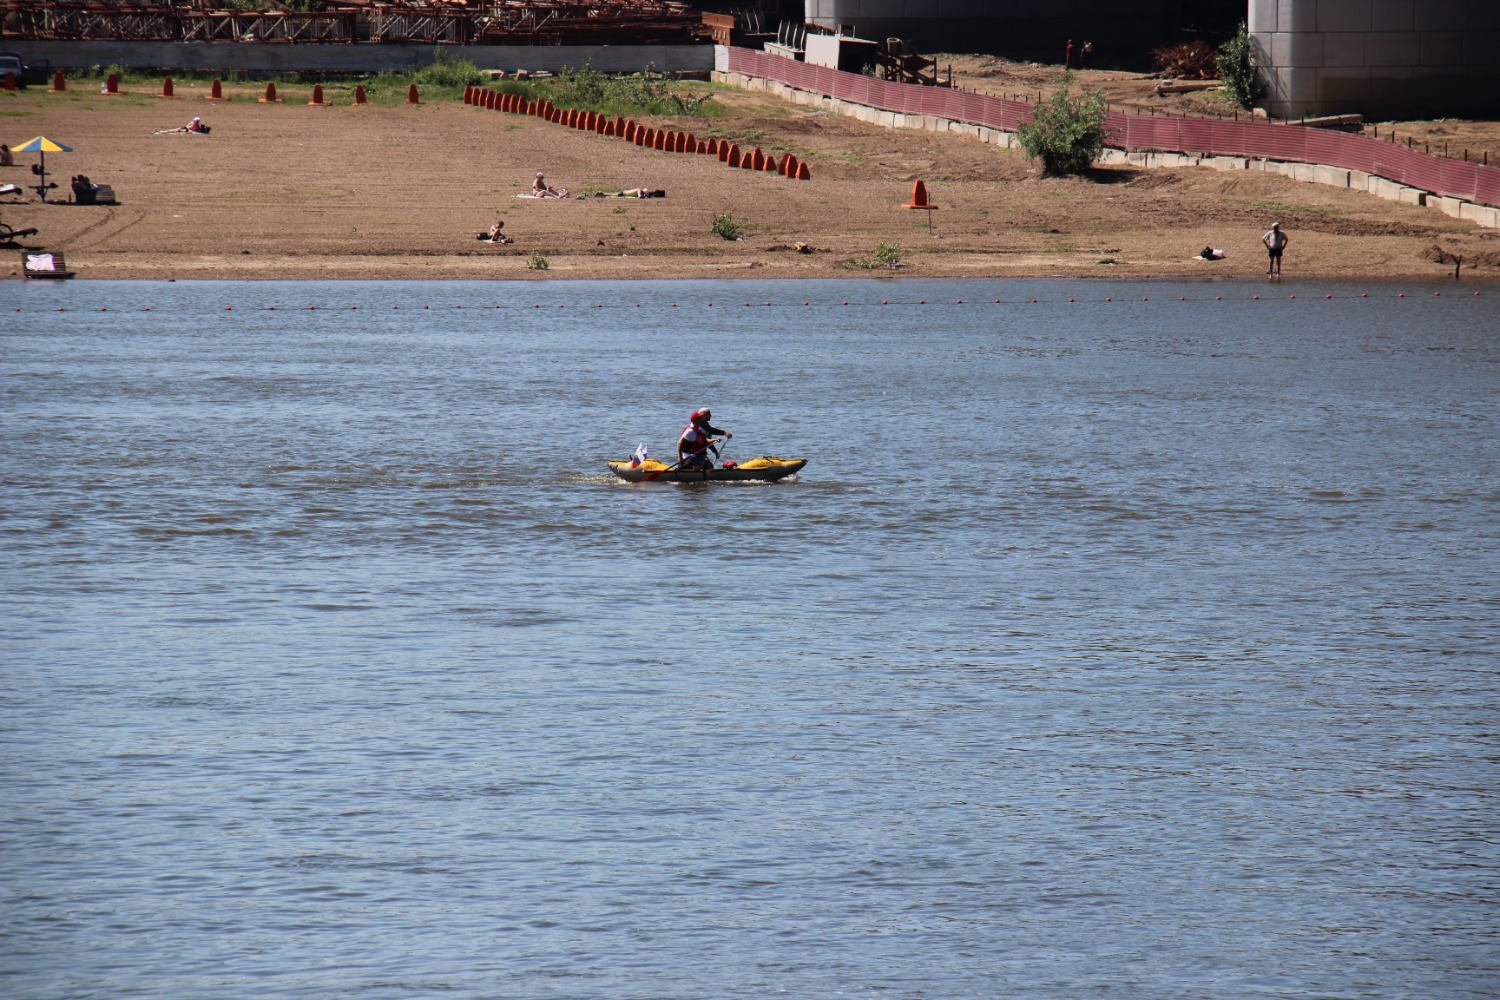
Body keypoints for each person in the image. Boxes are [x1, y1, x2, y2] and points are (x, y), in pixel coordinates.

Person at [677, 407, 731, 472]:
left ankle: (695, 471)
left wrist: (714, 440)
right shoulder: (690, 431)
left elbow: (704, 441)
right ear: (695, 421)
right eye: (700, 418)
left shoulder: (698, 430)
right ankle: (688, 468)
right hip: (690, 457)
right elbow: (679, 443)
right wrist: (680, 458)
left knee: (710, 466)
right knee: (706, 465)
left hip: (697, 455)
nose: (701, 419)